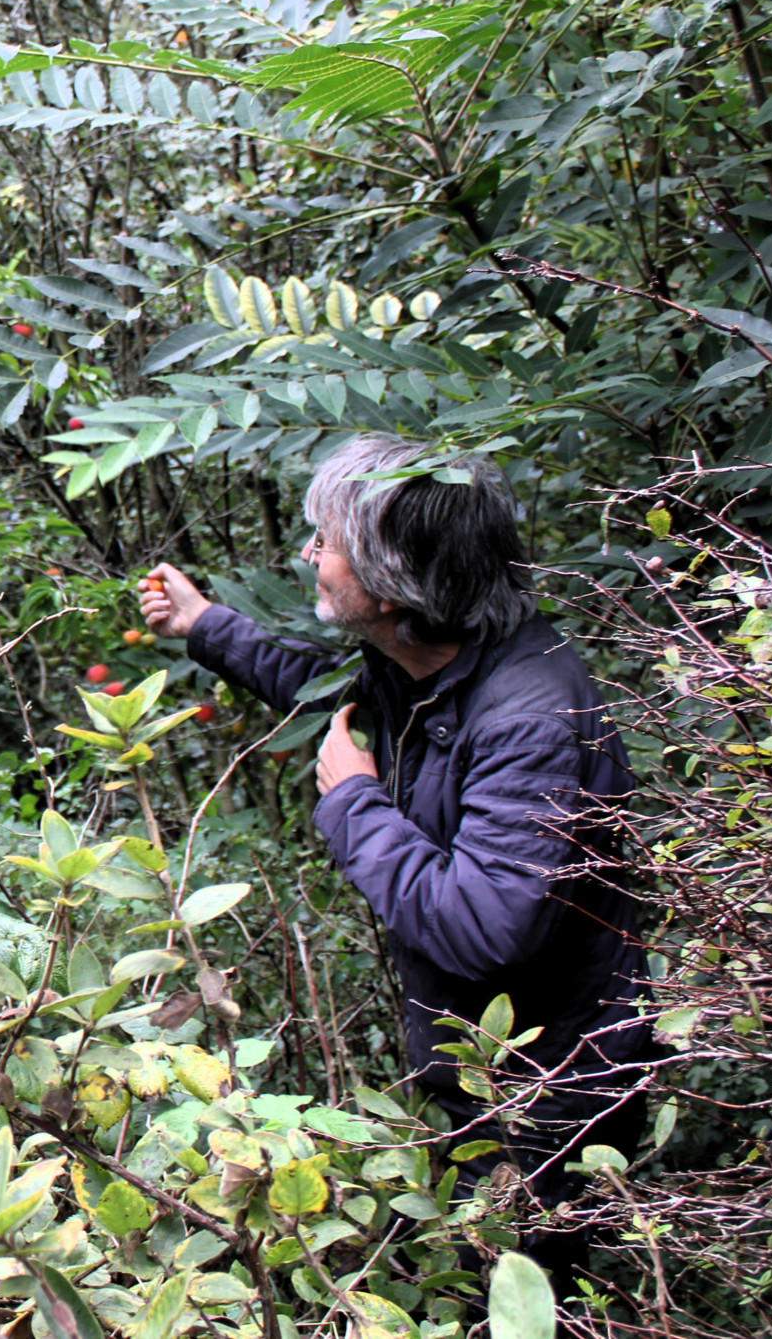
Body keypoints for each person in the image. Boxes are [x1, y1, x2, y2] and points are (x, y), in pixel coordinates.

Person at [138, 435, 653, 1280]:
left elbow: (485, 925)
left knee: (531, 1293)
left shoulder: (528, 715)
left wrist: (352, 802)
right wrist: (206, 626)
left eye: (327, 541)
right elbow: (327, 694)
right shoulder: (433, 661)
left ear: (390, 580)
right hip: (487, 1068)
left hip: (548, 1094)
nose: (309, 554)